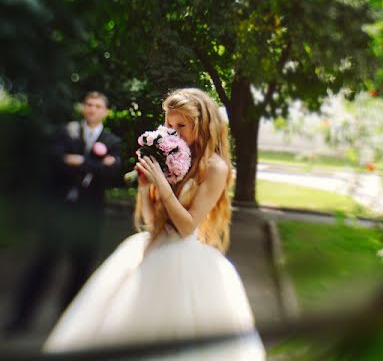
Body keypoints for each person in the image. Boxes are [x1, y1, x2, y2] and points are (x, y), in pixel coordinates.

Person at [42, 88, 264, 359]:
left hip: (184, 259)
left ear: (202, 124)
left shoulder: (216, 167)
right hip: (152, 248)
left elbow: (186, 227)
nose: (174, 133)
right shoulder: (178, 160)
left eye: (181, 125)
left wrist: (162, 184)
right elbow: (152, 221)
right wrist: (146, 188)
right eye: (170, 125)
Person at [3, 91, 122, 335]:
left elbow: (112, 173)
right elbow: (56, 160)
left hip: (89, 214)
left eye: (98, 106)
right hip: (59, 210)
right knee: (43, 263)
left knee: (81, 269)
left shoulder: (112, 141)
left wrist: (79, 162)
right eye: (89, 104)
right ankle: (20, 320)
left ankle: (69, 325)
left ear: (105, 112)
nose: (92, 109)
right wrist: (98, 165)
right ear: (83, 108)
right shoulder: (66, 132)